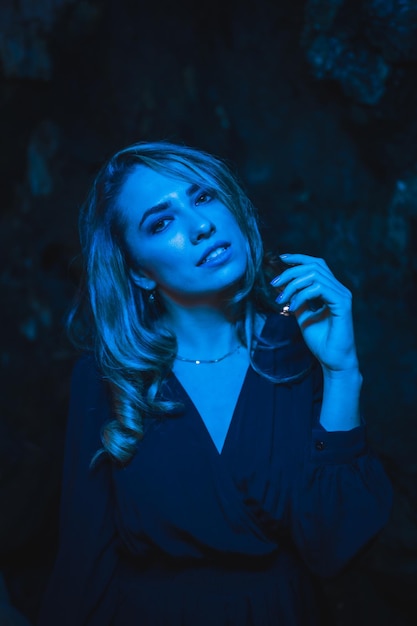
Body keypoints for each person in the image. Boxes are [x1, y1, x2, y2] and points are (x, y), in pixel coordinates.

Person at [38, 141, 392, 626]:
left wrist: (342, 370)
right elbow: (84, 564)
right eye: (161, 223)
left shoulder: (299, 349)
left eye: (204, 197)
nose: (200, 226)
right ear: (139, 272)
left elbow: (334, 546)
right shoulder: (107, 378)